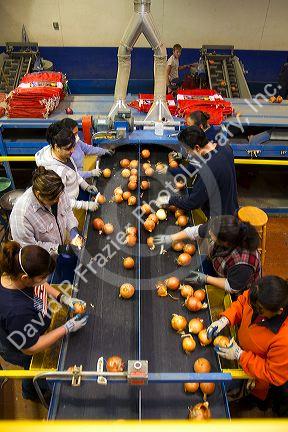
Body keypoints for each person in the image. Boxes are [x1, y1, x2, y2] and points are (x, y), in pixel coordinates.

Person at [0, 241, 88, 401]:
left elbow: (40, 285)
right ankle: (32, 392)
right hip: (18, 345)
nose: (45, 280)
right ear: (25, 278)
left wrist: (62, 297)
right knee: (31, 366)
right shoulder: (17, 311)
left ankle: (29, 389)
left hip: (31, 322)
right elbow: (30, 348)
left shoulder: (15, 273)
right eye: (42, 277)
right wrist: (67, 327)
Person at [207, 275, 288, 416]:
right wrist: (226, 319)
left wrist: (241, 355)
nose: (255, 310)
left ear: (279, 311)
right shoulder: (259, 296)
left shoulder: (284, 339)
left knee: (253, 397)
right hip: (240, 349)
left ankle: (256, 404)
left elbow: (273, 374)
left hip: (257, 377)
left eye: (260, 310)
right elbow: (243, 302)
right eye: (253, 306)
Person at [154, 215, 261, 296]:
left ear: (226, 243)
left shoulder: (243, 263)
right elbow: (195, 231)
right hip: (217, 264)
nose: (209, 232)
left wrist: (205, 279)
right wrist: (171, 238)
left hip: (238, 289)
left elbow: (232, 287)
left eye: (212, 235)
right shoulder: (223, 226)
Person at [156, 126, 239, 217]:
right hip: (232, 204)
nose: (188, 154)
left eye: (188, 150)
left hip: (220, 216)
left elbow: (193, 203)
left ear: (197, 147)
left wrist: (169, 199)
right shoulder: (225, 147)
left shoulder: (207, 170)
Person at [10, 166, 84, 254]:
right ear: (38, 194)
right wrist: (60, 249)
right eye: (54, 199)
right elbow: (29, 248)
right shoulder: (22, 216)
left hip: (61, 245)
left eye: (60, 196)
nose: (59, 200)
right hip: (43, 260)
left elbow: (67, 211)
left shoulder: (57, 191)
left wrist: (73, 230)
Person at [35, 125, 99, 211]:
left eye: (73, 146)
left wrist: (85, 186)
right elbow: (61, 201)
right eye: (68, 148)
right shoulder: (55, 173)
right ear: (57, 147)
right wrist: (85, 205)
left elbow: (74, 172)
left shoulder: (64, 154)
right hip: (67, 207)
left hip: (74, 193)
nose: (72, 150)